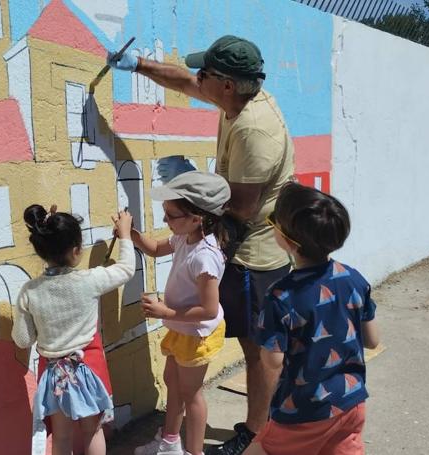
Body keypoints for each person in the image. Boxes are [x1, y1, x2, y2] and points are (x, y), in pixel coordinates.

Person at [108, 35, 295, 454]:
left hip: (255, 258)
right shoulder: (233, 99)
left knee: (260, 352)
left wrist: (192, 188)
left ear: (226, 84)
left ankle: (256, 432)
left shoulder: (255, 131)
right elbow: (183, 82)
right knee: (246, 352)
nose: (197, 79)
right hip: (230, 241)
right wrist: (136, 64)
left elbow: (242, 209)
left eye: (205, 74)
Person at [244, 182, 380, 455]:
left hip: (303, 411)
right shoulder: (353, 278)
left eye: (274, 222)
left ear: (288, 241)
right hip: (351, 403)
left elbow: (272, 361)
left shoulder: (280, 296)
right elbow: (373, 340)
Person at [11, 204, 135, 455]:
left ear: (41, 250)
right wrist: (125, 235)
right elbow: (126, 269)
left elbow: (23, 340)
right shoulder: (89, 281)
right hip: (88, 368)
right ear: (77, 250)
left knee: (61, 438)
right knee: (92, 431)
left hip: (54, 375)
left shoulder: (30, 291)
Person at [131, 171, 230, 455]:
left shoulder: (204, 255)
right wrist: (134, 235)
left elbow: (209, 309)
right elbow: (154, 249)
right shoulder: (183, 238)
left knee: (191, 394)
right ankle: (170, 443)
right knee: (173, 383)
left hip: (197, 333)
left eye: (171, 215)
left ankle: (194, 451)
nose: (165, 221)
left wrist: (166, 310)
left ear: (197, 217)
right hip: (182, 328)